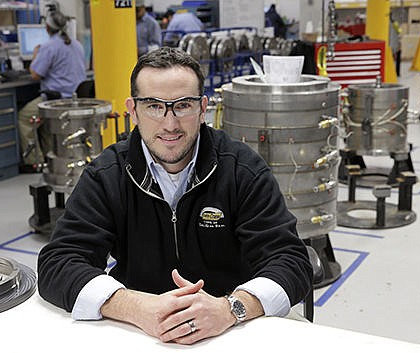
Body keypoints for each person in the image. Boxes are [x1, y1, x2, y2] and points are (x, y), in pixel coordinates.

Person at [37, 47, 312, 345]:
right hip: (139, 331)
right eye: (154, 106)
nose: (170, 124)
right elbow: (58, 263)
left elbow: (292, 262)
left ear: (203, 107)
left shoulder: (242, 169)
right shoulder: (107, 175)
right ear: (133, 110)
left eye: (183, 106)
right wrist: (136, 307)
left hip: (233, 327)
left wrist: (230, 308)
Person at [18, 10, 86, 170]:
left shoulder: (48, 47)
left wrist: (35, 55)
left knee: (25, 118)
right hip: (75, 100)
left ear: (47, 27)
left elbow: (35, 74)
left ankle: (35, 162)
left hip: (56, 101)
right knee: (45, 124)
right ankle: (52, 158)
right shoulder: (77, 44)